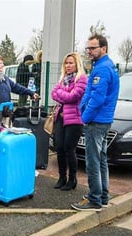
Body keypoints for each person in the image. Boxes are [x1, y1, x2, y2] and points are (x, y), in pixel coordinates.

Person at [72, 34, 120, 211]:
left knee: (93, 161)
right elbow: (90, 93)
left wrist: (83, 118)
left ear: (103, 49)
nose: (89, 51)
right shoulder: (105, 66)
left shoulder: (102, 69)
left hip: (97, 121)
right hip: (103, 120)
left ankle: (94, 199)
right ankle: (103, 196)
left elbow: (97, 98)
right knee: (101, 160)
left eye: (93, 48)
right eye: (88, 48)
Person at [51, 52, 87, 191]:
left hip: (75, 119)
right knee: (59, 147)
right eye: (66, 63)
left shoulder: (82, 79)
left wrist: (62, 94)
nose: (68, 66)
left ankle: (72, 179)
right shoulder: (63, 78)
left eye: (71, 63)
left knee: (69, 149)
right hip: (60, 117)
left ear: (77, 64)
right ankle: (62, 177)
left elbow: (73, 97)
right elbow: (53, 93)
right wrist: (64, 95)